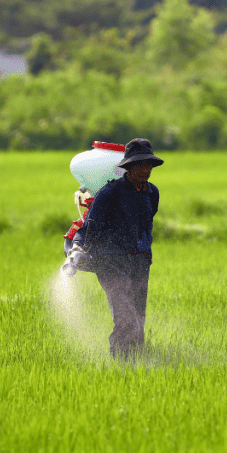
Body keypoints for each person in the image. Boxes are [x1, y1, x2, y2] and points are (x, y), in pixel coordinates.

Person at [69, 138, 163, 359]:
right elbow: (90, 225)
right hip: (110, 261)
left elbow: (146, 225)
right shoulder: (110, 192)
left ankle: (138, 359)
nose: (145, 170)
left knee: (139, 316)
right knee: (126, 316)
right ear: (129, 167)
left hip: (140, 261)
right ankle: (120, 361)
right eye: (140, 165)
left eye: (148, 165)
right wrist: (78, 248)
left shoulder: (152, 193)